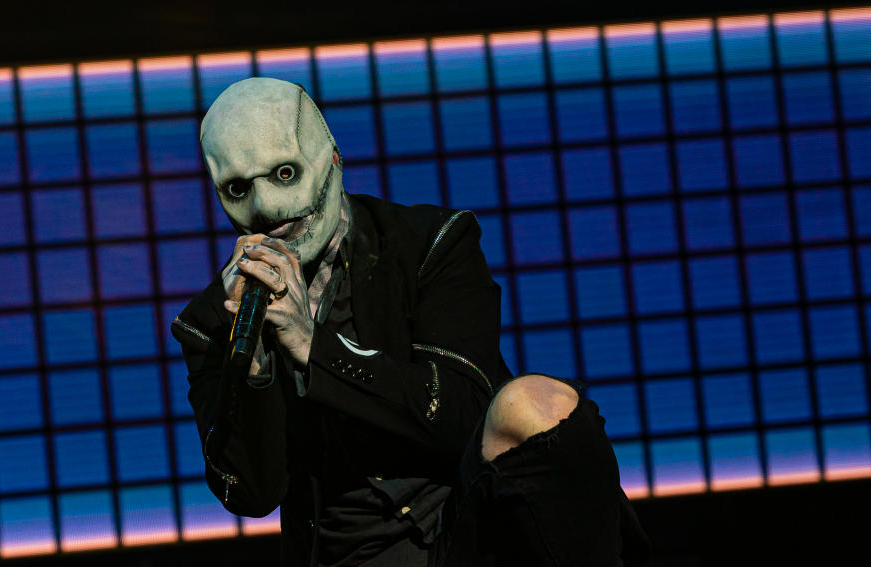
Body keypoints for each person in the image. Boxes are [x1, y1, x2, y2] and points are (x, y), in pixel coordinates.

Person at [171, 77, 649, 566]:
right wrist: (253, 375)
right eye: (237, 188)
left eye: (286, 174)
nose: (265, 208)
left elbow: (460, 412)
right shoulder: (212, 321)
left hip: (469, 525)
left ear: (331, 159)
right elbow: (249, 494)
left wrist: (314, 345)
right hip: (352, 557)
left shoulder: (430, 244)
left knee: (534, 404)